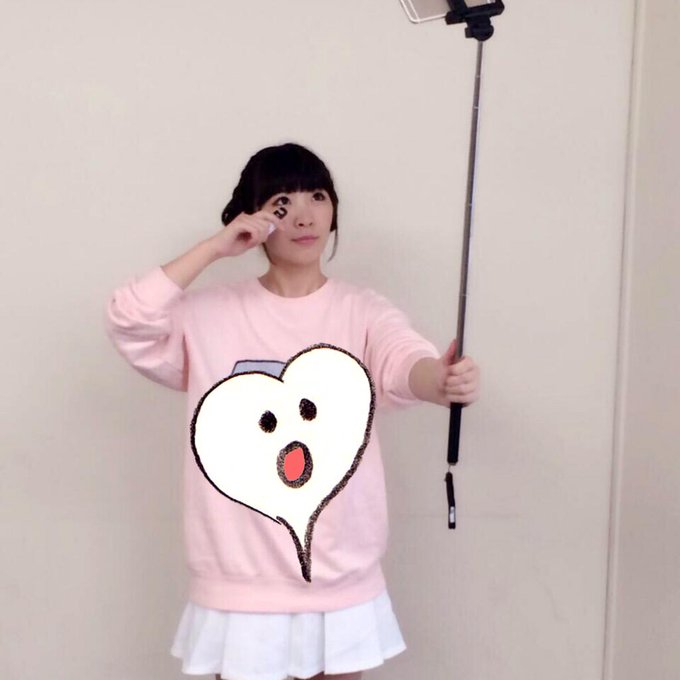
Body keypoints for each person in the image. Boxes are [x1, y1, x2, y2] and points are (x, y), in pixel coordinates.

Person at [105, 142, 480, 680]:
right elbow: (129, 318)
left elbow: (404, 363)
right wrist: (213, 248)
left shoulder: (362, 310)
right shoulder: (207, 316)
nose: (304, 216)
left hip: (340, 583)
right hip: (240, 587)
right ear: (254, 218)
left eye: (317, 197)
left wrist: (440, 381)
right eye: (282, 202)